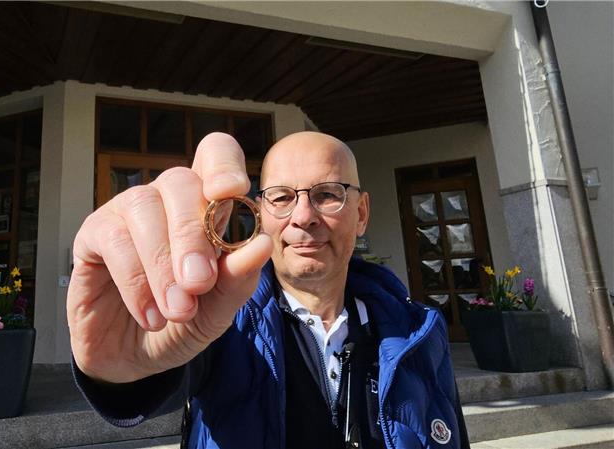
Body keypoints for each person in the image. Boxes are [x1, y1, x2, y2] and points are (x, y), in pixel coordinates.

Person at [67, 131, 469, 449]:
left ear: (361, 213)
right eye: (282, 198)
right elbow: (160, 375)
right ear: (260, 213)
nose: (304, 217)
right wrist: (119, 373)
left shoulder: (420, 330)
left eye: (328, 194)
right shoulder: (218, 326)